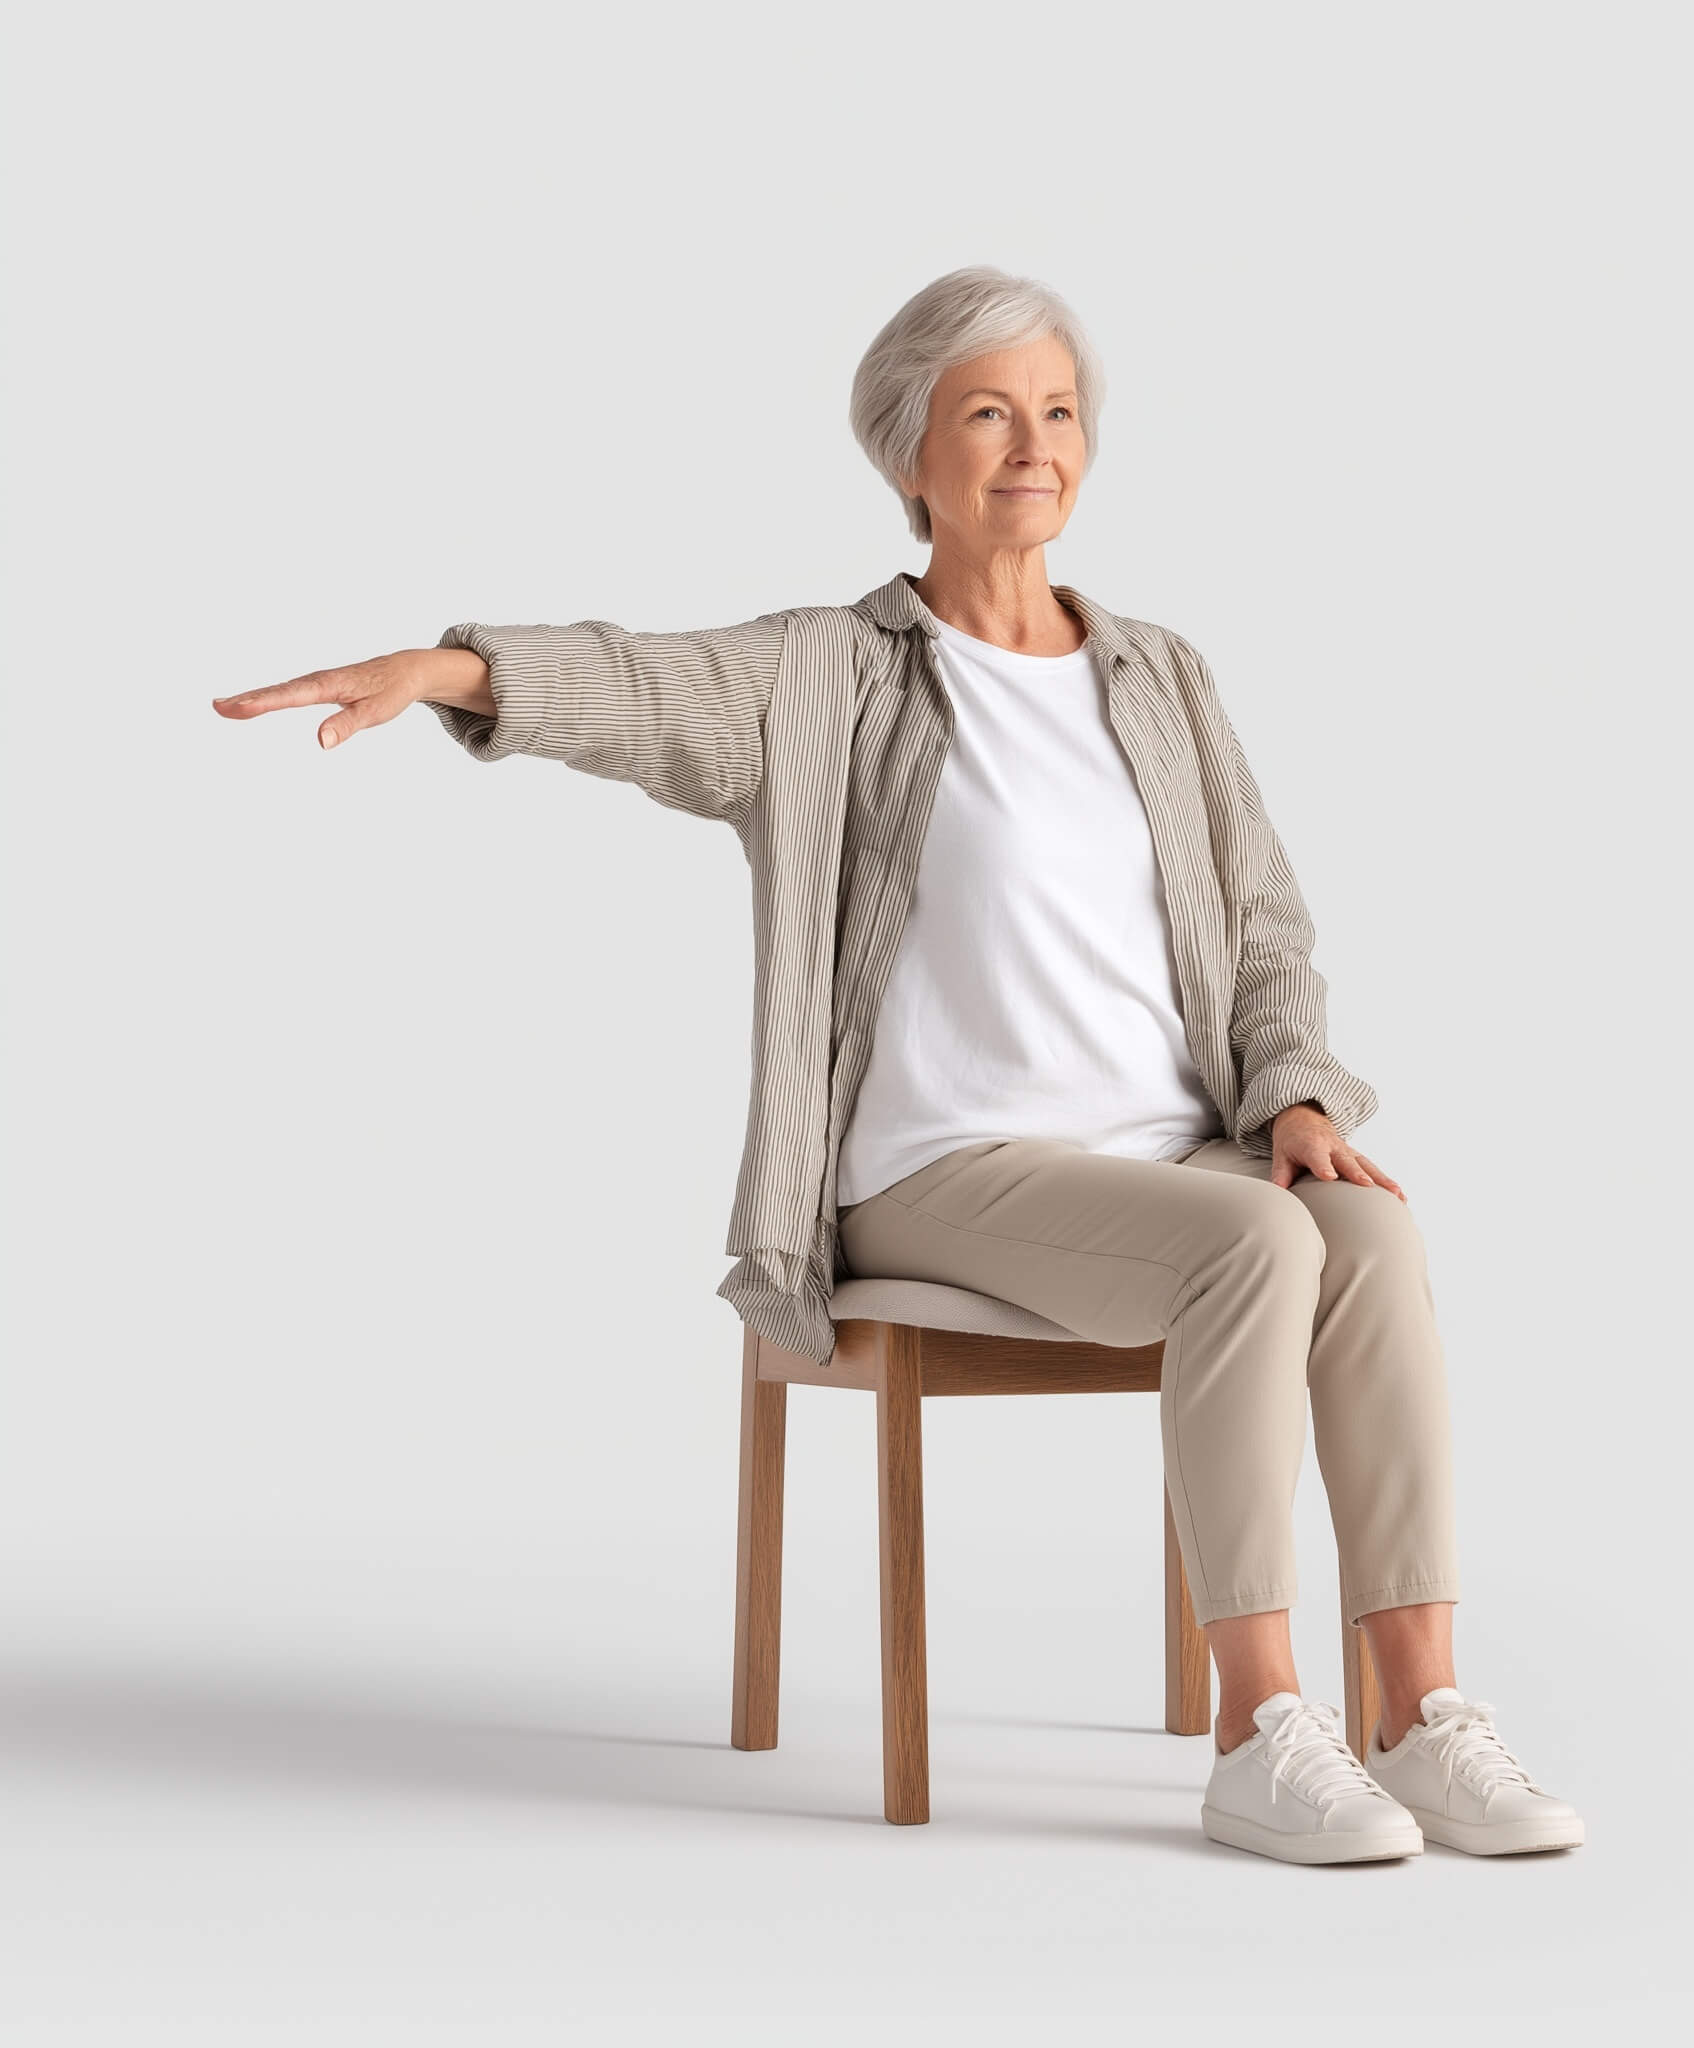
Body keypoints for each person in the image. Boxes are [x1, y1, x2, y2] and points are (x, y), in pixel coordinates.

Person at [212, 265, 1583, 1866]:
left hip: (1171, 1158)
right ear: (908, 456)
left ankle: (1418, 1717)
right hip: (936, 1176)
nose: (1033, 446)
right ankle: (1258, 1728)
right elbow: (641, 686)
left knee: (1367, 1226)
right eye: (987, 413)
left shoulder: (1163, 676)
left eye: (1058, 412)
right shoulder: (830, 675)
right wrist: (450, 672)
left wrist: (1288, 1090)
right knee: (1263, 1239)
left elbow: (1265, 921)